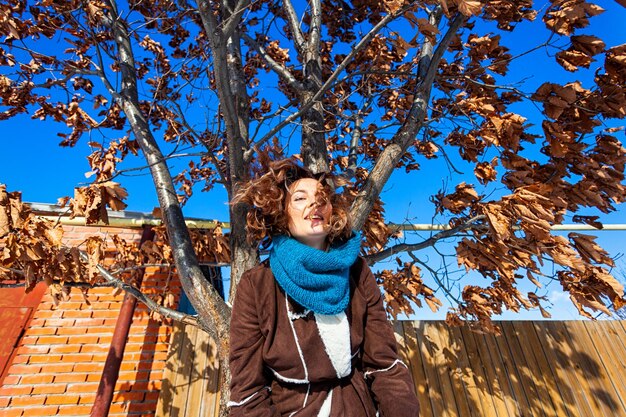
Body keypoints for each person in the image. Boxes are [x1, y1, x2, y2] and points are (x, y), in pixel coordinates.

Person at [228, 158, 420, 416]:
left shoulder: (357, 272)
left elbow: (385, 365)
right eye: (300, 198)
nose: (315, 203)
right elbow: (247, 394)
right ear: (280, 212)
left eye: (321, 197)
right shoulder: (256, 285)